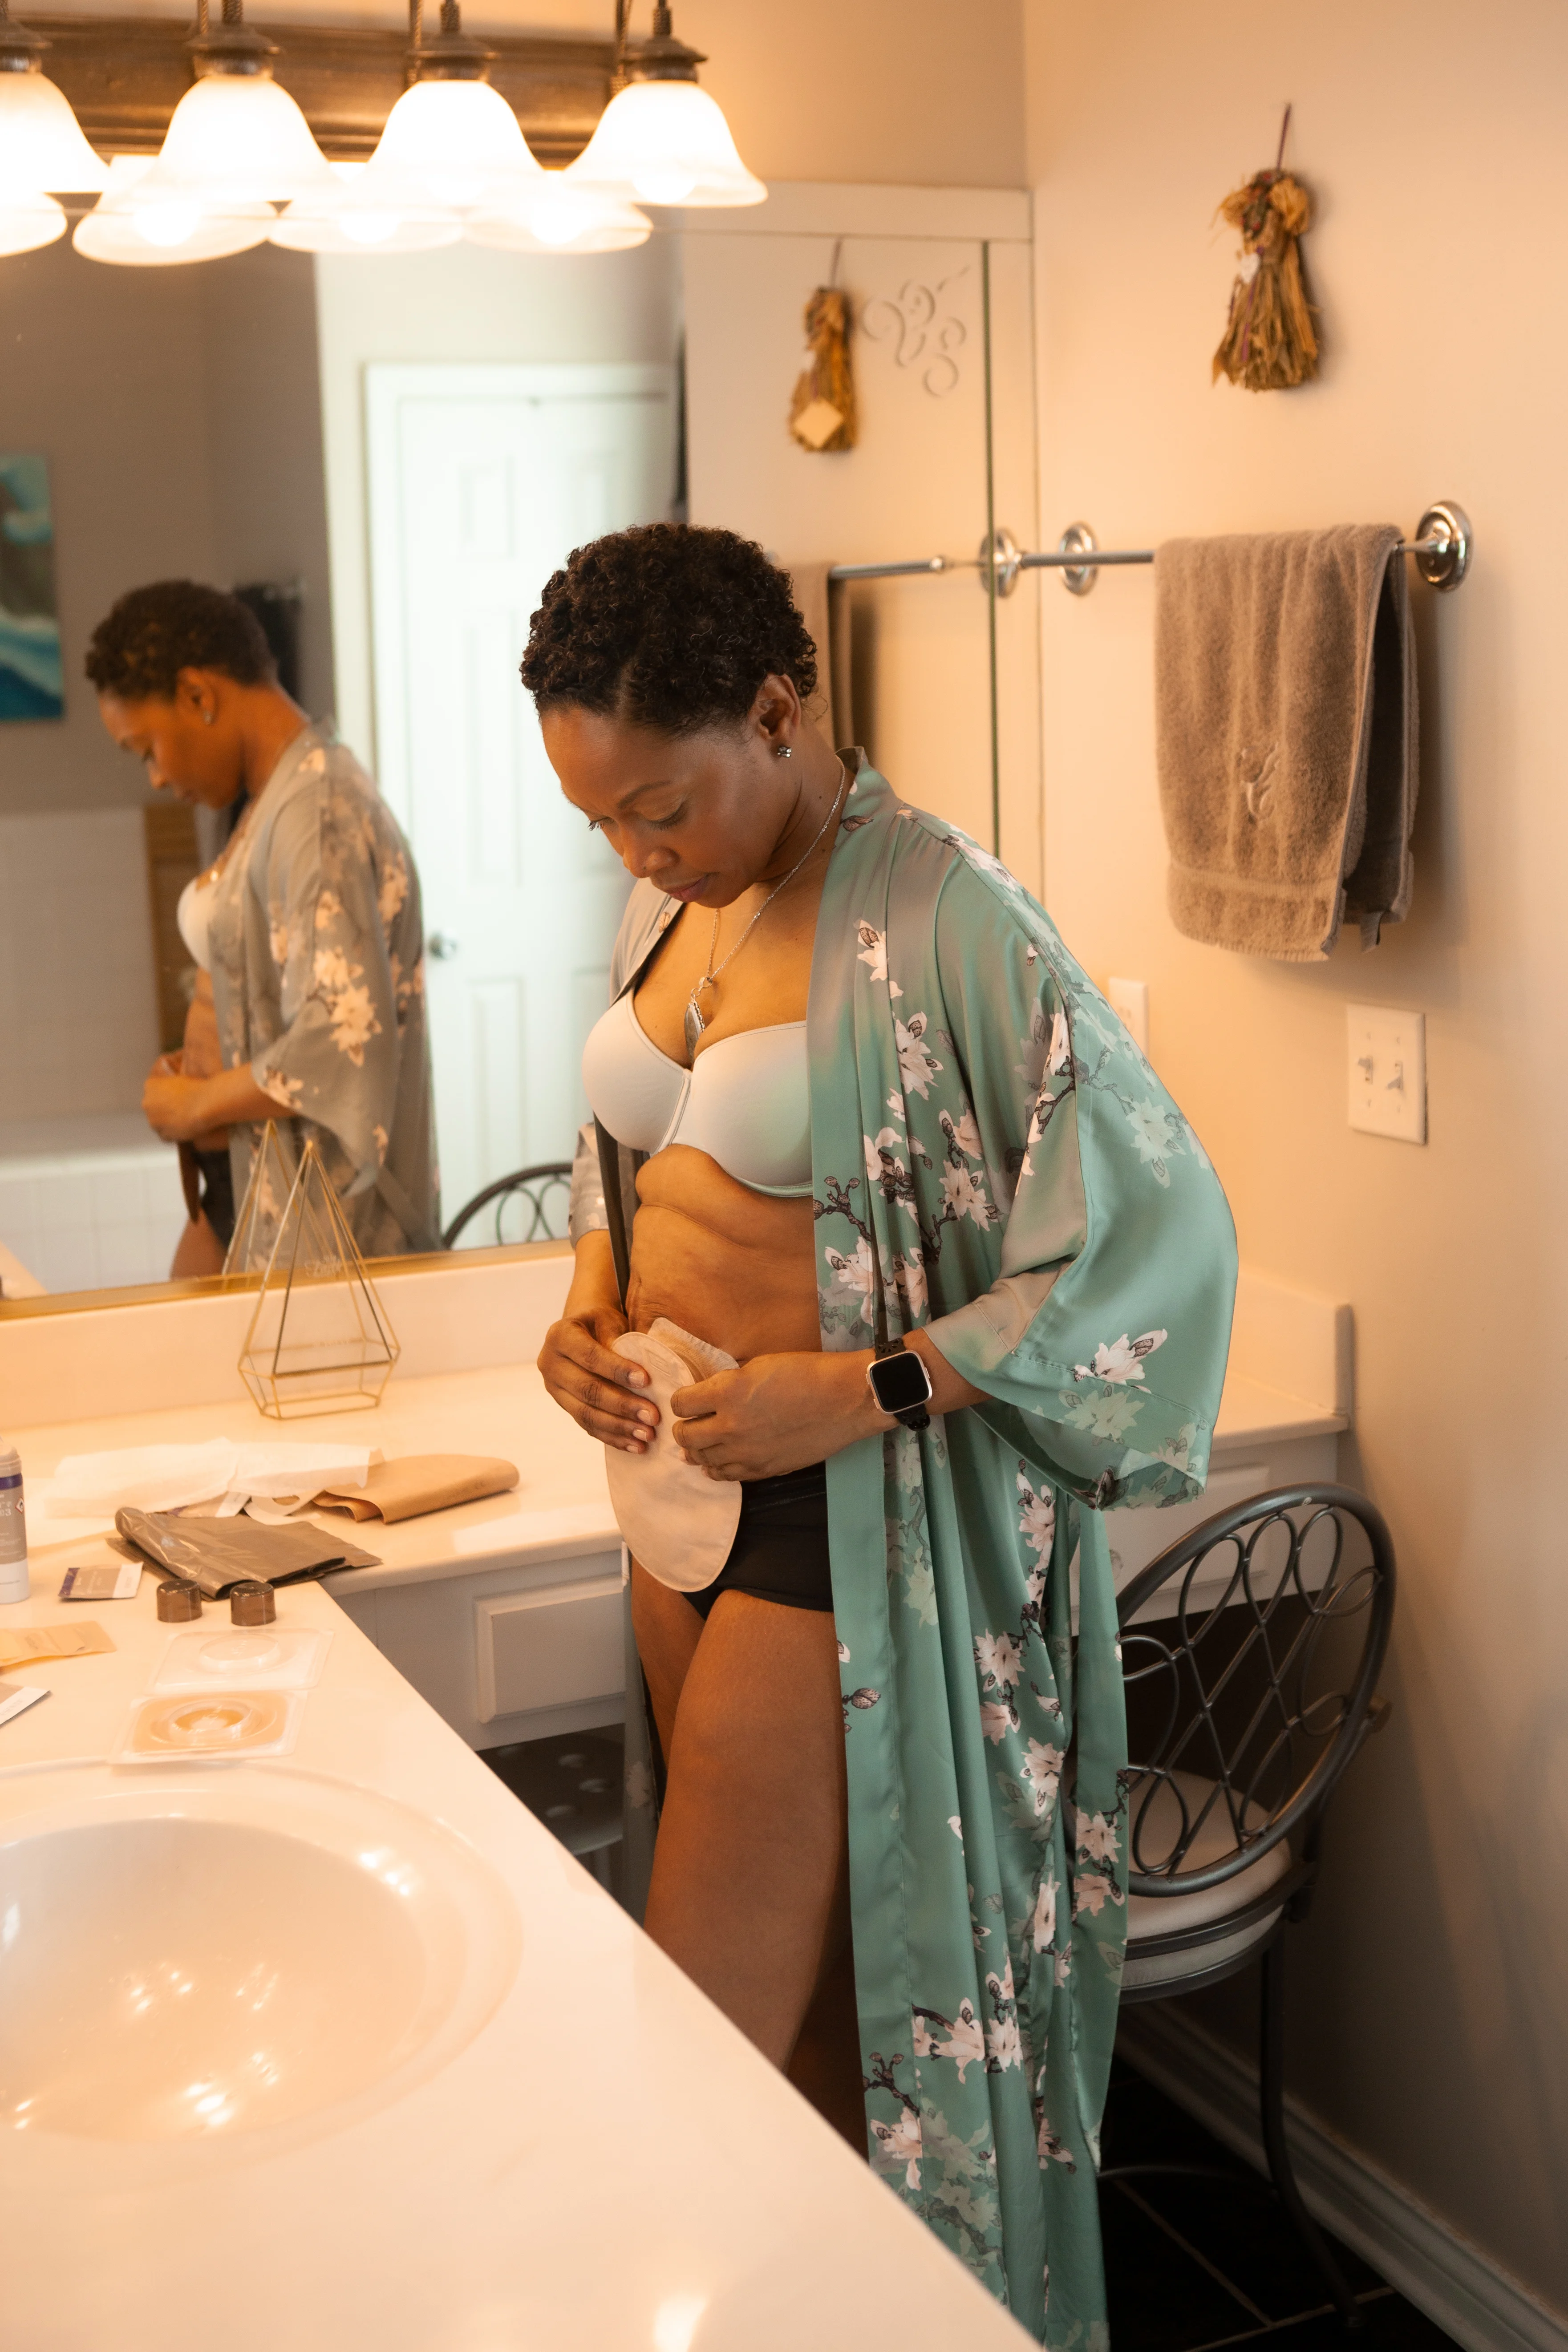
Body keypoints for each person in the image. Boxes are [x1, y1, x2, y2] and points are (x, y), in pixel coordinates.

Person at [527, 524, 1238, 2347]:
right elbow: (651, 1168)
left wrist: (860, 1388)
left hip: (840, 1527)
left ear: (777, 710)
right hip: (677, 1513)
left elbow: (1153, 1226)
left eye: (658, 802)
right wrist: (588, 1316)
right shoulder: (669, 902)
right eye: (603, 817)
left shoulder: (944, 912)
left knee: (691, 2048)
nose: (635, 850)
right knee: (823, 2043)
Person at [86, 580, 438, 1264]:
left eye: (146, 748)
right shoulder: (275, 800)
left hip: (321, 1206)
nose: (155, 777)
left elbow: (343, 1038)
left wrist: (197, 1104)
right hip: (253, 1177)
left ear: (197, 695)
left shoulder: (317, 809)